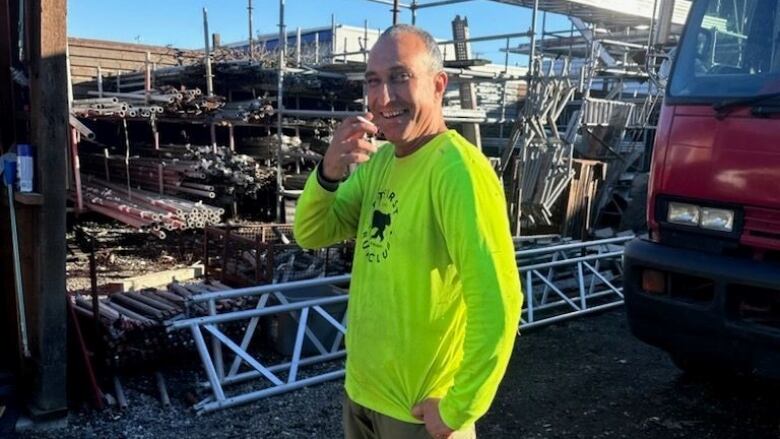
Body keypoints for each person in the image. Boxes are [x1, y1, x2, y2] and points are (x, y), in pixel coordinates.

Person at [294, 24, 522, 439]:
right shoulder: (381, 164)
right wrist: (328, 173)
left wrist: (459, 408)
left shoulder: (458, 171)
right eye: (374, 81)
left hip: (418, 415)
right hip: (362, 395)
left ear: (438, 85)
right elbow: (312, 233)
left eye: (400, 77)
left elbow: (499, 302)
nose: (383, 97)